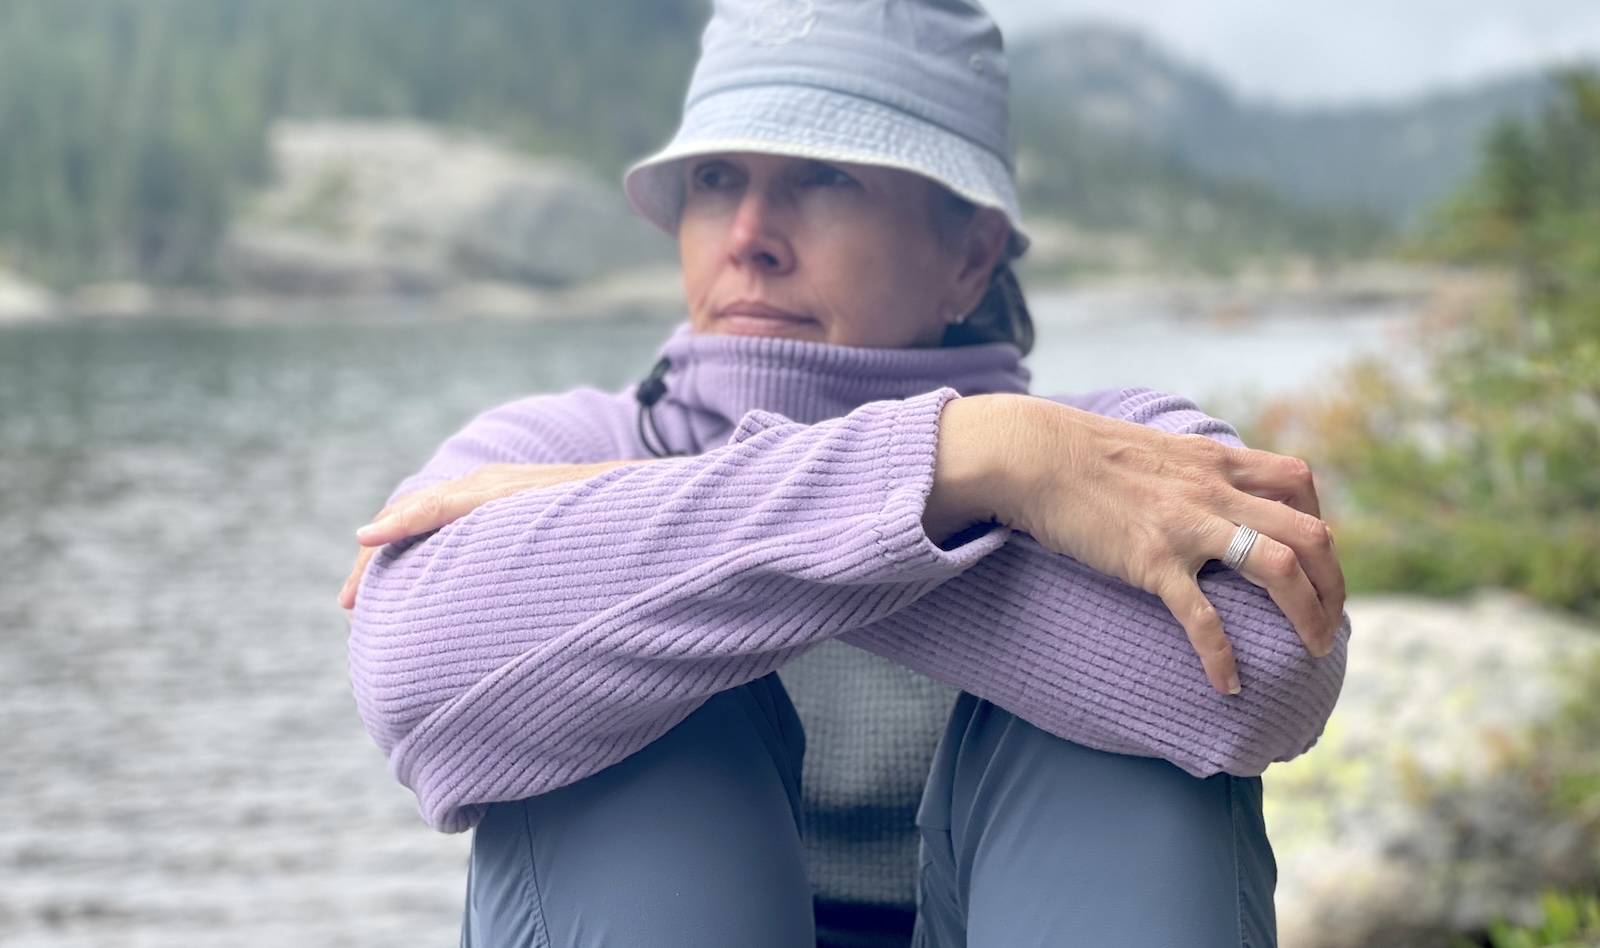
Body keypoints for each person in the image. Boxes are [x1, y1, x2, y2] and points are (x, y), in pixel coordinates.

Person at [339, 1, 1348, 945]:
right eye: (716, 180)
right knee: (623, 714)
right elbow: (407, 670)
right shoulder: (560, 442)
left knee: (1132, 751)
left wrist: (626, 537)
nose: (747, 239)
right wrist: (968, 466)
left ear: (970, 251)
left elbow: (1268, 674)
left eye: (824, 177)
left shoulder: (1117, 454)